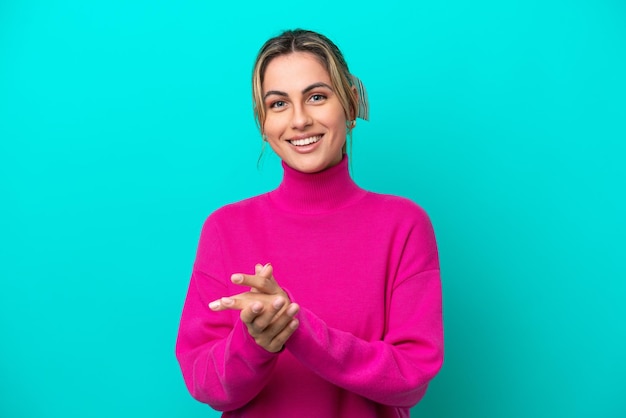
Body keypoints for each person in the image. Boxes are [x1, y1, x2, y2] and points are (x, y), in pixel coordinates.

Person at [175, 29, 443, 418]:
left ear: (350, 105)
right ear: (264, 124)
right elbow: (205, 383)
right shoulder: (224, 229)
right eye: (278, 103)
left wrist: (294, 327)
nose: (299, 120)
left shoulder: (403, 225)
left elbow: (412, 377)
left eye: (317, 97)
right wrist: (258, 342)